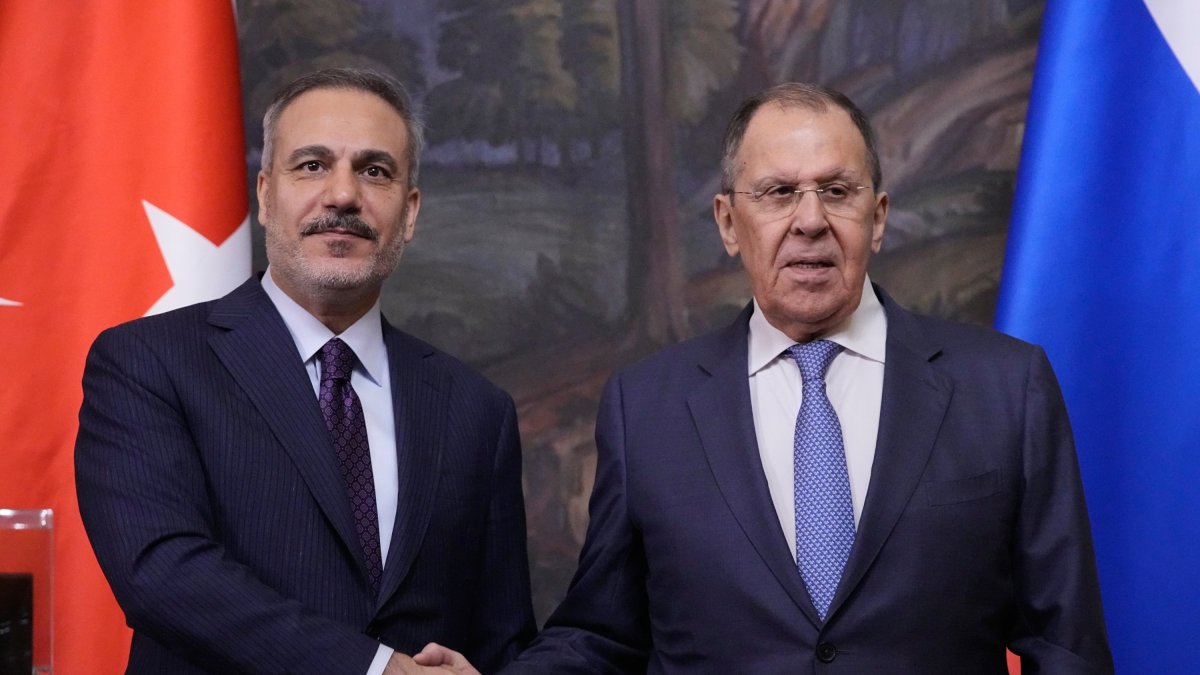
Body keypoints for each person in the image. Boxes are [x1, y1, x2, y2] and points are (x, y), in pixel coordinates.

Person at [423, 82, 1114, 674]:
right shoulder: (648, 407)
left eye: (837, 192)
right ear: (729, 222)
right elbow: (602, 634)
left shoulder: (1004, 387)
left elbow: (1065, 644)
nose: (810, 221)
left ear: (877, 219)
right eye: (779, 192)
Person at [75, 68, 535, 675]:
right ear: (265, 196)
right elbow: (161, 574)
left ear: (411, 210)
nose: (344, 195)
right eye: (312, 165)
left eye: (375, 171)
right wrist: (375, 668)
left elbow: (502, 641)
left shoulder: (478, 409)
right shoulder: (147, 363)